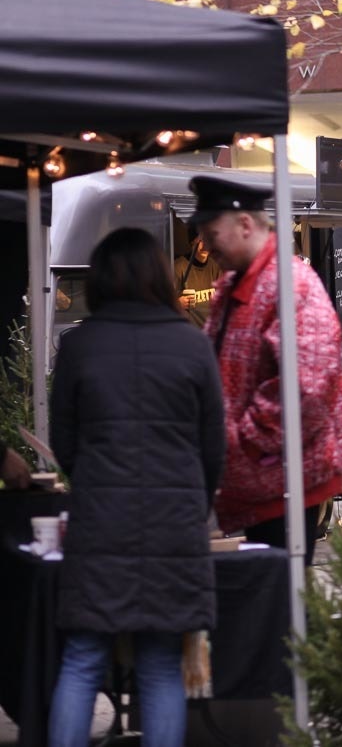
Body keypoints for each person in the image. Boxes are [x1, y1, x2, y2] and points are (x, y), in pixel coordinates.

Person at [48, 228, 225, 747]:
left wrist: (95, 484)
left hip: (99, 524)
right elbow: (213, 448)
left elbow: (63, 443)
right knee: (161, 663)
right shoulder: (193, 345)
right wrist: (193, 503)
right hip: (176, 529)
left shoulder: (79, 346)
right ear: (160, 278)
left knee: (83, 657)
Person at [191, 175, 342, 565]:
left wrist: (239, 443)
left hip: (283, 480)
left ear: (245, 224)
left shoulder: (290, 284)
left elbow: (306, 389)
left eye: (212, 234)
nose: (206, 245)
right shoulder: (234, 284)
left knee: (278, 593)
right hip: (258, 481)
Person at [174, 236, 224, 327]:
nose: (204, 245)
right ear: (192, 242)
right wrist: (177, 304)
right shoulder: (179, 267)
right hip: (189, 330)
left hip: (211, 328)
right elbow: (164, 302)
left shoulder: (216, 266)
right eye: (201, 241)